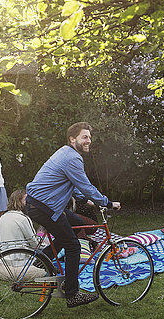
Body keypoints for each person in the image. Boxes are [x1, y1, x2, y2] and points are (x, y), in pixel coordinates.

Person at [25, 122, 120, 308]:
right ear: (72, 139)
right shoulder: (72, 158)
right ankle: (72, 293)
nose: (88, 141)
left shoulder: (65, 152)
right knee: (73, 246)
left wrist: (85, 200)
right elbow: (85, 186)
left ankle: (42, 259)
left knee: (76, 224)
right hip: (44, 207)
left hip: (43, 204)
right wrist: (107, 203)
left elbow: (72, 184)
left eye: (90, 137)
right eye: (84, 137)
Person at [0, 189, 47, 281]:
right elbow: (34, 244)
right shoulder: (23, 219)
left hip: (5, 260)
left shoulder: (3, 217)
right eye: (25, 200)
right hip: (19, 262)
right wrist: (45, 245)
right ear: (19, 202)